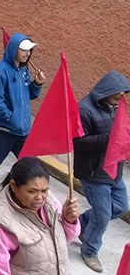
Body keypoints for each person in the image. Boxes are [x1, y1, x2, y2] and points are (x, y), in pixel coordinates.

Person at [73, 71, 130, 272]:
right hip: (93, 174)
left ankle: (81, 224)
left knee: (121, 207)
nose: (121, 99)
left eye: (124, 95)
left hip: (114, 170)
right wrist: (110, 138)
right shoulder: (84, 109)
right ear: (107, 91)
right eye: (118, 95)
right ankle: (89, 250)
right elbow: (78, 142)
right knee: (103, 215)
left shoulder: (116, 107)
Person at [0, 33, 45, 188]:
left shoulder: (24, 70)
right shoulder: (0, 70)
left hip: (23, 129)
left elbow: (28, 94)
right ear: (13, 49)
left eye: (29, 50)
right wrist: (11, 118)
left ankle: (23, 186)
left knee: (28, 161)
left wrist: (37, 84)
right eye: (23, 50)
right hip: (4, 129)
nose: (27, 54)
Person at [0, 157, 80, 275]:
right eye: (32, 191)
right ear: (13, 185)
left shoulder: (50, 201)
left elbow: (64, 241)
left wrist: (69, 221)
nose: (40, 197)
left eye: (44, 190)